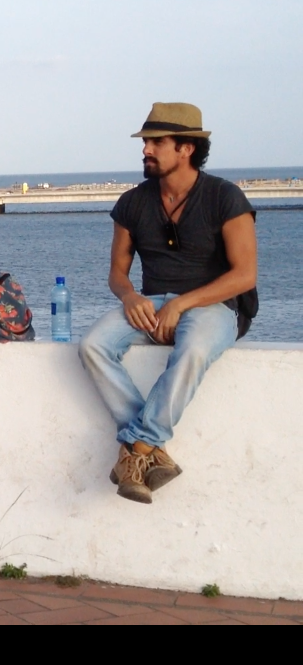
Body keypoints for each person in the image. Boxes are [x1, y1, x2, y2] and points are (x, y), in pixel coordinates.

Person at [79, 103, 257, 504]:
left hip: (218, 304)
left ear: (186, 148)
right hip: (151, 302)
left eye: (157, 142)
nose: (146, 150)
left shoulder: (224, 197)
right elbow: (117, 273)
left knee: (192, 350)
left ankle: (137, 449)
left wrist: (182, 305)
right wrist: (130, 296)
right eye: (145, 142)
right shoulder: (133, 202)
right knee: (93, 345)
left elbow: (244, 275)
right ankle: (148, 450)